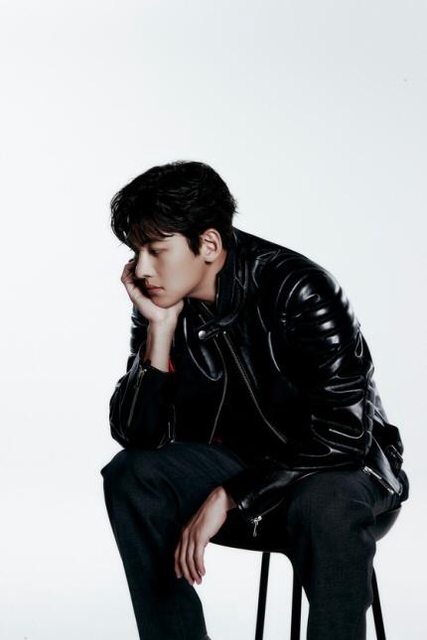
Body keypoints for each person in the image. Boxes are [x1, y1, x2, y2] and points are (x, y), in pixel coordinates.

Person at [100, 160, 410, 640]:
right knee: (130, 476)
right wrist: (159, 331)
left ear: (208, 244)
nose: (141, 269)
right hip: (240, 462)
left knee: (325, 504)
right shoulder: (161, 301)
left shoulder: (299, 289)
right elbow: (137, 437)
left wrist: (232, 495)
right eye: (135, 252)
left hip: (337, 472)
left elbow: (344, 436)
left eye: (156, 250)